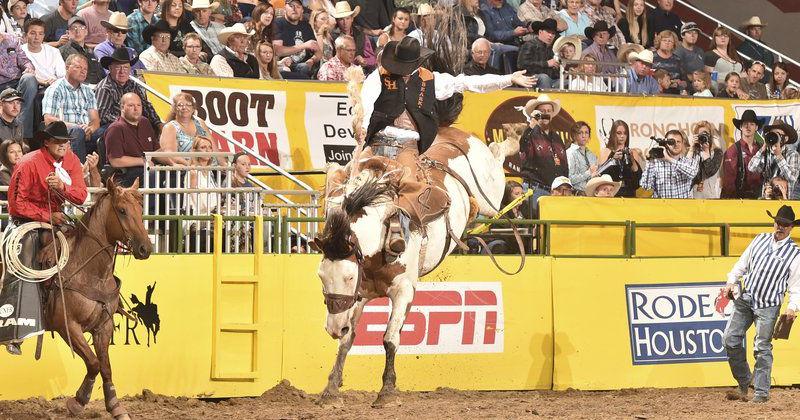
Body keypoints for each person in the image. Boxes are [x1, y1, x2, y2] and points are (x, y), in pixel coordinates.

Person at [361, 36, 535, 254]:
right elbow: (366, 107)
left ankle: (399, 235)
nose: (402, 71)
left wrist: (508, 78)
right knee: (351, 185)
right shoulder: (377, 78)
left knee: (411, 187)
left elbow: (468, 82)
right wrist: (364, 130)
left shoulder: (430, 80)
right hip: (377, 142)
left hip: (407, 147)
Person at [1, 121, 87, 356]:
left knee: (86, 244)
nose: (63, 145)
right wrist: (47, 215)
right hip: (24, 222)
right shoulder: (28, 163)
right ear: (46, 142)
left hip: (57, 220)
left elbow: (81, 195)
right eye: (58, 141)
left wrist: (63, 188)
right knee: (23, 260)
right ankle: (14, 328)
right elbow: (17, 205)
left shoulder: (72, 161)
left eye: (65, 141)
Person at [722, 204, 800, 403]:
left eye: (785, 224)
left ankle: (761, 393)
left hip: (769, 305)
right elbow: (742, 264)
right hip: (746, 298)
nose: (780, 227)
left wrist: (792, 307)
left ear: (791, 227)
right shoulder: (759, 239)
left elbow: (796, 286)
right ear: (774, 222)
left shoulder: (795, 254)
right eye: (778, 222)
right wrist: (731, 281)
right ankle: (744, 381)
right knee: (730, 339)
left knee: (762, 347)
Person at [41, 53, 100, 163]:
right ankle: (79, 169)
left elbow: (95, 120)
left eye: (85, 69)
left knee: (107, 131)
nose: (83, 71)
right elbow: (49, 120)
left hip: (87, 132)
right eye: (78, 67)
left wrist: (90, 129)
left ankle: (107, 171)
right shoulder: (55, 89)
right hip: (65, 133)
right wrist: (77, 127)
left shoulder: (88, 91)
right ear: (67, 68)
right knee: (77, 131)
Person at [517, 94, 567, 216]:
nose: (546, 114)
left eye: (549, 111)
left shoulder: (557, 137)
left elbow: (564, 165)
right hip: (535, 189)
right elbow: (522, 145)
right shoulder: (530, 133)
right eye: (542, 111)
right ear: (536, 113)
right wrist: (532, 125)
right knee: (534, 224)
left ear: (552, 114)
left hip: (554, 192)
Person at [95, 47, 162, 132]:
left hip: (132, 123)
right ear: (110, 69)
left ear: (130, 69)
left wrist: (158, 123)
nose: (122, 71)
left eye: (126, 67)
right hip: (112, 127)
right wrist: (127, 121)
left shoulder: (133, 85)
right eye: (118, 67)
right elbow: (103, 116)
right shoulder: (104, 88)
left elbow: (145, 105)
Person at [103, 92, 161, 186]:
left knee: (175, 172)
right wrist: (144, 161)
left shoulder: (145, 122)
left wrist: (174, 162)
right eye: (131, 105)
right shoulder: (115, 129)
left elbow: (157, 150)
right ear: (122, 108)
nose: (136, 109)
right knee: (151, 173)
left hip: (147, 168)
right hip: (125, 174)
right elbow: (115, 161)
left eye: (139, 105)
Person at [159, 91, 215, 166]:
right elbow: (170, 154)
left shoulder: (200, 122)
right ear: (174, 109)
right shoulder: (170, 127)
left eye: (188, 105)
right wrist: (189, 165)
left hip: (207, 168)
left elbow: (214, 148)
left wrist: (224, 165)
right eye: (180, 105)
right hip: (184, 169)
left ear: (193, 108)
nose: (184, 107)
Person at [747, 119, 799, 199]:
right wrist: (762, 149)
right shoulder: (765, 154)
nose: (774, 137)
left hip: (787, 200)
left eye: (777, 135)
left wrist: (778, 155)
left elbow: (792, 177)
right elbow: (751, 168)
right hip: (768, 199)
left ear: (785, 138)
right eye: (772, 134)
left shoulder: (792, 154)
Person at [640, 129, 699, 198]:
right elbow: (645, 186)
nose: (676, 144)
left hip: (682, 204)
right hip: (661, 204)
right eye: (672, 142)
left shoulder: (687, 162)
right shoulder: (656, 163)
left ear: (682, 144)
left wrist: (668, 159)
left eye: (678, 142)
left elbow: (693, 173)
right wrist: (649, 161)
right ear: (666, 144)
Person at [0, 33, 36, 141]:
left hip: (16, 82)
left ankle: (22, 134)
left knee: (29, 79)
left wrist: (28, 68)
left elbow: (24, 60)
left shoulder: (12, 39)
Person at [721, 110, 763, 199]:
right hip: (739, 198)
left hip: (760, 197)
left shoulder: (762, 149)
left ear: (756, 127)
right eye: (745, 124)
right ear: (741, 127)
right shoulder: (732, 150)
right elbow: (729, 182)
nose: (748, 127)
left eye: (752, 124)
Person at [598, 119, 645, 197]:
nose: (622, 136)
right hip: (611, 194)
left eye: (625, 133)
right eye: (619, 133)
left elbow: (637, 180)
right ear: (613, 134)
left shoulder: (633, 152)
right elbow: (600, 175)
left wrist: (632, 160)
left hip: (630, 194)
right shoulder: (605, 151)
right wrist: (612, 160)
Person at [274, 0, 318, 79]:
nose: (294, 9)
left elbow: (318, 52)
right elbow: (278, 51)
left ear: (302, 10)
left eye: (298, 7)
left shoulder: (306, 26)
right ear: (285, 8)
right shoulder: (278, 23)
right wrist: (304, 45)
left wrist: (312, 60)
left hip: (305, 67)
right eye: (291, 6)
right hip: (285, 67)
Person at [481, 0, 528, 70]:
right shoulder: (485, 11)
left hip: (515, 41)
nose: (501, 1)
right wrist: (513, 33)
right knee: (520, 51)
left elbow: (518, 22)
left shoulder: (507, 7)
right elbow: (491, 35)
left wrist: (526, 28)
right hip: (499, 43)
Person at [58, 15, 103, 85]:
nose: (78, 31)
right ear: (67, 33)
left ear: (86, 31)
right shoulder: (62, 52)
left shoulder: (91, 52)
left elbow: (99, 74)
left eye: (81, 28)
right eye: (73, 28)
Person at [21, 18, 66, 87]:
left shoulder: (54, 51)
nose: (37, 37)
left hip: (53, 86)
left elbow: (62, 74)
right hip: (33, 87)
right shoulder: (20, 51)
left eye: (40, 34)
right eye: (33, 33)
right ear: (25, 35)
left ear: (44, 36)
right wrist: (41, 82)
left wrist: (55, 82)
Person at [332, 1, 374, 71]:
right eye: (341, 19)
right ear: (337, 21)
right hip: (339, 71)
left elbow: (372, 59)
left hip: (359, 71)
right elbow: (330, 60)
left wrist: (364, 61)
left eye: (347, 18)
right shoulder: (332, 36)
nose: (345, 22)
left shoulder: (360, 34)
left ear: (352, 19)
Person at [517, 18, 557, 88]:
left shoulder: (550, 49)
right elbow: (522, 64)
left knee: (567, 81)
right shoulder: (529, 45)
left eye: (553, 33)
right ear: (540, 32)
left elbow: (551, 70)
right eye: (548, 32)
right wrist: (546, 64)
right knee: (544, 78)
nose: (550, 35)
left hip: (548, 78)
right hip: (529, 77)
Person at [689, 121, 723, 199]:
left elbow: (710, 171)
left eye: (705, 134)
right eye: (700, 135)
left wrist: (706, 152)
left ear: (710, 135)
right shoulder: (694, 152)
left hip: (710, 196)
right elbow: (687, 171)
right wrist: (692, 148)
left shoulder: (717, 152)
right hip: (694, 196)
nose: (703, 137)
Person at [736, 16, 773, 84]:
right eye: (753, 29)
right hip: (751, 82)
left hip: (766, 82)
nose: (757, 32)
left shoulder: (764, 46)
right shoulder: (742, 48)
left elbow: (771, 61)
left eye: (759, 29)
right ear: (747, 31)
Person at [566, 121, 597, 194]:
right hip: (577, 194)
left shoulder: (591, 155)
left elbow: (593, 174)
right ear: (574, 135)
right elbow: (569, 179)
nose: (584, 136)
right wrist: (588, 173)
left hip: (592, 193)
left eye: (586, 133)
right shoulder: (570, 152)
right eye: (580, 133)